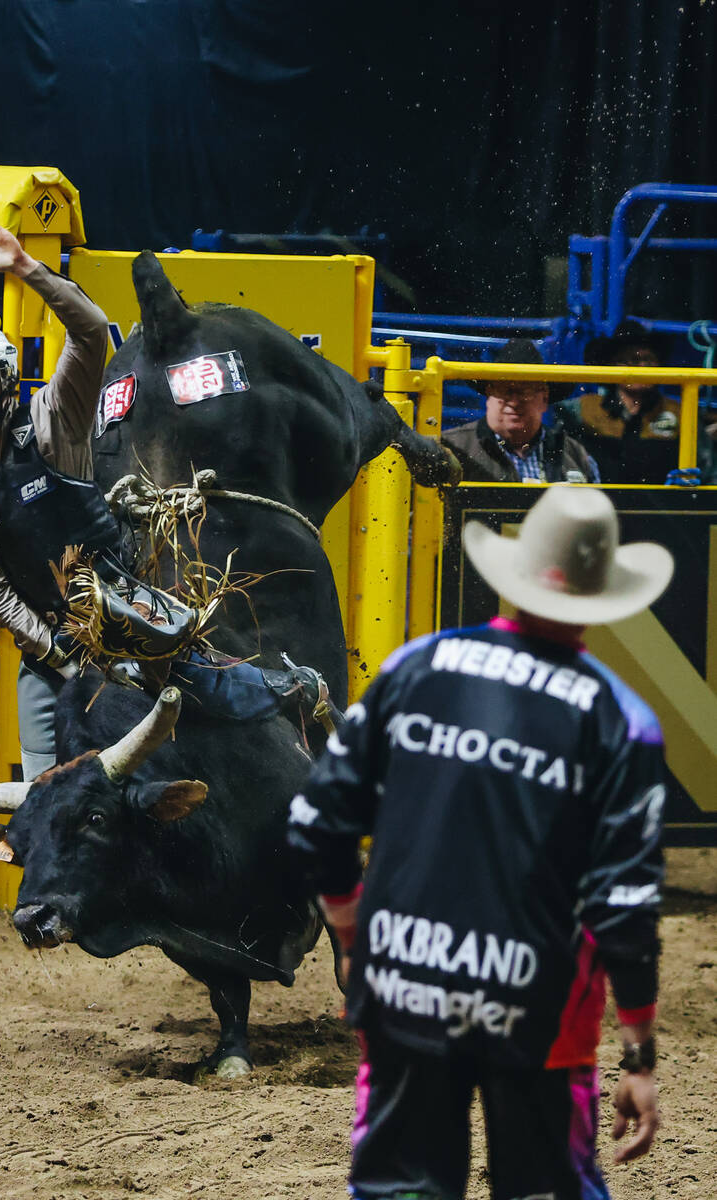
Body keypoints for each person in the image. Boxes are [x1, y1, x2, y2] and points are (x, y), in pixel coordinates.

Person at [288, 484, 673, 1200]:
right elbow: (624, 904)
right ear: (599, 598)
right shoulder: (618, 719)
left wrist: (350, 936)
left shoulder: (416, 666)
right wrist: (638, 1054)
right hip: (539, 1006)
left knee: (398, 1188)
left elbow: (317, 818)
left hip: (403, 976)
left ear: (514, 578)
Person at [0, 214, 328, 779]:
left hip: (129, 607)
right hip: (50, 646)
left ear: (5, 382)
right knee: (46, 784)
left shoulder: (52, 422)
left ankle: (292, 690)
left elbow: (91, 330)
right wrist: (55, 653)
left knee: (210, 691)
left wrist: (24, 267)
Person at [557, 319, 717, 485]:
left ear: (658, 364)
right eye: (630, 360)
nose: (640, 368)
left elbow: (708, 473)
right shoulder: (581, 410)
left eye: (647, 360)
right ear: (612, 365)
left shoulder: (681, 413)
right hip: (597, 506)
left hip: (662, 507)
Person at [442, 338, 600, 484]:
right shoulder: (451, 449)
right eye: (504, 390)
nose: (514, 401)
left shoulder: (576, 455)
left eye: (526, 391)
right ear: (489, 395)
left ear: (544, 398)